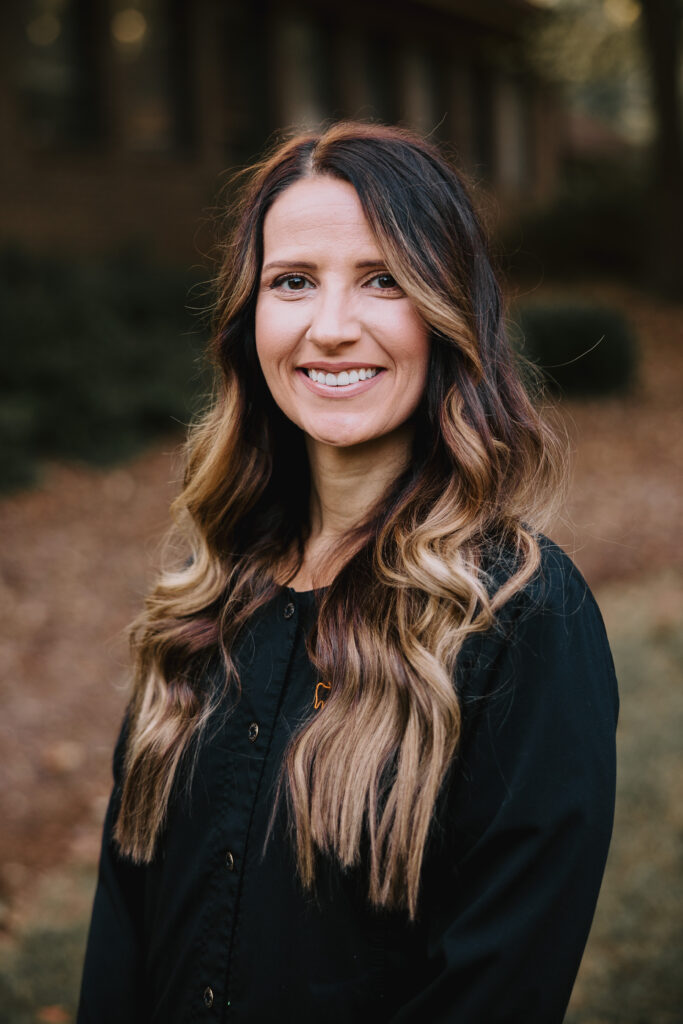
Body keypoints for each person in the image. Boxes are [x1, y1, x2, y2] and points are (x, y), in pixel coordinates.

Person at [78, 122, 618, 1023]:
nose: (330, 329)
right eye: (293, 282)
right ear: (250, 319)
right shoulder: (204, 592)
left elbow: (498, 986)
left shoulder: (520, 618)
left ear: (448, 312)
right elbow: (123, 921)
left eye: (383, 280)